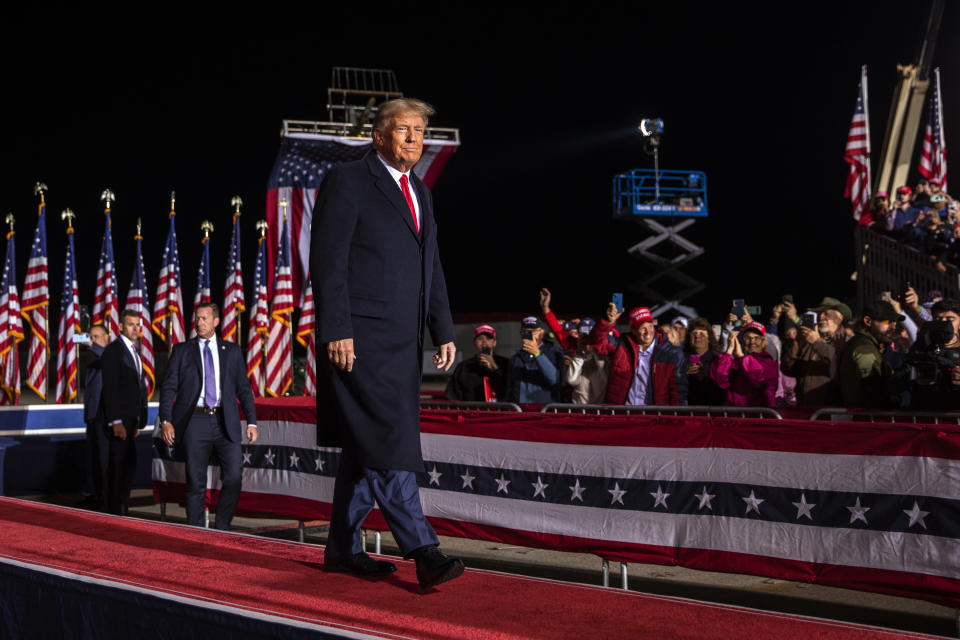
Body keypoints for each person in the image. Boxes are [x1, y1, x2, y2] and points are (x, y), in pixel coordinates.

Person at [310, 97, 463, 589]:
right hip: (358, 338)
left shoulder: (421, 191)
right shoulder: (349, 180)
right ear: (379, 136)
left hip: (402, 345)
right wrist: (335, 328)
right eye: (404, 129)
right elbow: (328, 261)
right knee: (388, 441)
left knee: (365, 445)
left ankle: (341, 550)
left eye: (420, 129)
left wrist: (442, 329)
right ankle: (423, 549)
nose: (415, 138)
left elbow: (432, 266)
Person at [158, 303, 258, 531]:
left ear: (215, 321)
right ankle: (194, 532)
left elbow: (244, 388)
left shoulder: (231, 351)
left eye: (204, 319)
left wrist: (252, 421)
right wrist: (166, 420)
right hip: (195, 421)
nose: (199, 323)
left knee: (234, 477)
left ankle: (222, 528)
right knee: (195, 480)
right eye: (197, 319)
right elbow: (169, 387)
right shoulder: (182, 350)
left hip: (226, 421)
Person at [99, 311, 148, 515]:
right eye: (130, 324)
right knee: (118, 469)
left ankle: (122, 509)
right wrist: (116, 421)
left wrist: (136, 422)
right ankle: (114, 512)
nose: (135, 328)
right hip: (118, 423)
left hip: (130, 422)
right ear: (120, 326)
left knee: (128, 467)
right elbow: (110, 389)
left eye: (137, 324)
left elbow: (136, 389)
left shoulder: (135, 352)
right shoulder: (114, 351)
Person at [591, 305, 687, 406]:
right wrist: (608, 322)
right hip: (623, 413)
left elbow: (678, 390)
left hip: (655, 415)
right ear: (633, 330)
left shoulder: (671, 353)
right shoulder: (621, 345)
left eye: (650, 326)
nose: (648, 332)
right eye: (642, 328)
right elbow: (596, 341)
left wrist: (676, 417)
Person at [780, 298, 850, 406]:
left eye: (827, 314)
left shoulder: (847, 341)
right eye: (819, 313)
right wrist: (797, 344)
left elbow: (841, 362)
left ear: (840, 318)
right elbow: (787, 369)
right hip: (805, 407)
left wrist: (817, 342)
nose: (821, 317)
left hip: (831, 409)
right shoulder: (809, 341)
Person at [837, 300, 903, 408]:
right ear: (868, 321)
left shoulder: (865, 344)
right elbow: (873, 392)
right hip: (866, 418)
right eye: (887, 322)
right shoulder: (864, 349)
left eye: (894, 322)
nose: (893, 327)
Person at [711, 321, 779, 407]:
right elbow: (720, 381)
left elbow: (757, 379)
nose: (752, 342)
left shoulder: (770, 364)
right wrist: (729, 350)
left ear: (763, 342)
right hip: (733, 413)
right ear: (742, 341)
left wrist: (741, 357)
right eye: (748, 338)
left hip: (757, 415)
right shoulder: (735, 362)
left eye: (756, 338)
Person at [82, 324, 110, 510]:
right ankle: (95, 493)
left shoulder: (109, 355)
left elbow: (105, 356)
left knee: (103, 459)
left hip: (103, 417)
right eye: (91, 337)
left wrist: (92, 345)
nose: (93, 340)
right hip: (92, 416)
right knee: (93, 458)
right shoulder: (93, 361)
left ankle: (106, 497)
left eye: (97, 337)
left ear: (106, 338)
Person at [505, 317, 564, 403]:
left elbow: (555, 379)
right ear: (521, 333)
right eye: (526, 331)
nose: (530, 334)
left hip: (545, 409)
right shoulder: (516, 357)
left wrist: (537, 354)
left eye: (533, 331)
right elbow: (510, 387)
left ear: (542, 332)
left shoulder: (554, 352)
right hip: (520, 410)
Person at [444, 324, 509, 402]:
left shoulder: (505, 363)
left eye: (488, 338)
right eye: (480, 339)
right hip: (472, 412)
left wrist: (495, 368)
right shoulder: (464, 367)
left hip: (500, 412)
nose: (484, 343)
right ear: (474, 342)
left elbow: (511, 389)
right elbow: (452, 395)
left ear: (494, 342)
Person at [563, 317, 609, 404]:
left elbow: (604, 379)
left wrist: (594, 349)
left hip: (600, 408)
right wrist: (579, 354)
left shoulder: (604, 355)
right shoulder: (575, 355)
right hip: (580, 408)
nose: (587, 339)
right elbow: (572, 380)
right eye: (583, 335)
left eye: (590, 335)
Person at [684, 318, 725, 405]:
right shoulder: (680, 358)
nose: (697, 336)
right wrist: (685, 372)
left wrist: (704, 375)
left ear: (709, 338)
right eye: (694, 333)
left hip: (711, 408)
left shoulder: (717, 359)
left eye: (702, 334)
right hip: (687, 408)